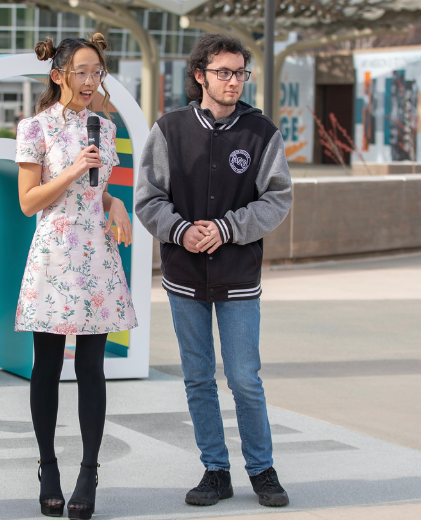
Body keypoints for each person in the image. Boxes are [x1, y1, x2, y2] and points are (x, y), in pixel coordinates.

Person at [135, 33, 293, 508]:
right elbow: (147, 198)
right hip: (184, 275)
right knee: (198, 377)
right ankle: (215, 470)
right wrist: (181, 231)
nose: (233, 81)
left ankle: (262, 469)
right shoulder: (169, 129)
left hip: (239, 274)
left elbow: (278, 198)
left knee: (245, 376)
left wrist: (226, 228)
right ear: (200, 74)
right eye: (224, 72)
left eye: (240, 73)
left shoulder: (261, 132)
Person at [15, 34, 137, 519]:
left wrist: (117, 204)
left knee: (92, 366)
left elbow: (99, 190)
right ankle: (48, 466)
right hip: (54, 253)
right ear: (58, 74)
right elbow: (29, 201)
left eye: (97, 72)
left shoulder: (103, 128)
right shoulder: (34, 128)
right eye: (82, 71)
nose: (90, 81)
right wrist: (70, 171)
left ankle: (89, 471)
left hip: (97, 256)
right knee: (47, 365)